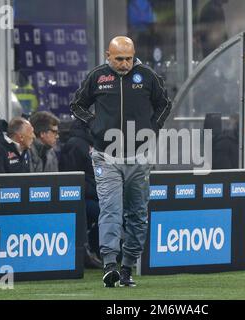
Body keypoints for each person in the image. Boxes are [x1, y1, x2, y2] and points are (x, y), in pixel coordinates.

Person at [70, 36, 172, 287]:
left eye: (129, 58)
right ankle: (109, 264)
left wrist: (153, 128)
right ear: (108, 55)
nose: (125, 64)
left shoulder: (147, 76)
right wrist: (94, 125)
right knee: (111, 210)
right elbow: (77, 105)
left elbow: (164, 105)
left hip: (139, 157)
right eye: (119, 59)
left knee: (137, 214)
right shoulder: (97, 76)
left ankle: (127, 267)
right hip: (106, 156)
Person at [60, 119, 103, 269]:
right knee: (106, 213)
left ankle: (100, 250)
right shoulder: (76, 144)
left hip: (94, 195)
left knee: (114, 211)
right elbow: (72, 179)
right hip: (81, 199)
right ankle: (89, 251)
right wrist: (96, 191)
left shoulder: (92, 143)